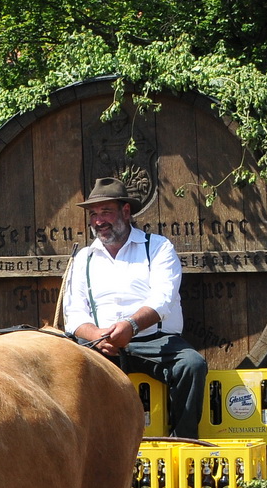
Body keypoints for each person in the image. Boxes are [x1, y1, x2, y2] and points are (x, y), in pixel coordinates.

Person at [61, 176, 209, 439]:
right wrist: (96, 335)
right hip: (102, 344)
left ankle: (184, 440)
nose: (98, 221)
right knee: (64, 369)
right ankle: (83, 446)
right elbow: (73, 314)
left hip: (156, 341)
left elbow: (163, 298)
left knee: (192, 365)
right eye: (93, 214)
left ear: (126, 211)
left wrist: (131, 326)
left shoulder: (158, 247)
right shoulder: (84, 258)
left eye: (106, 212)